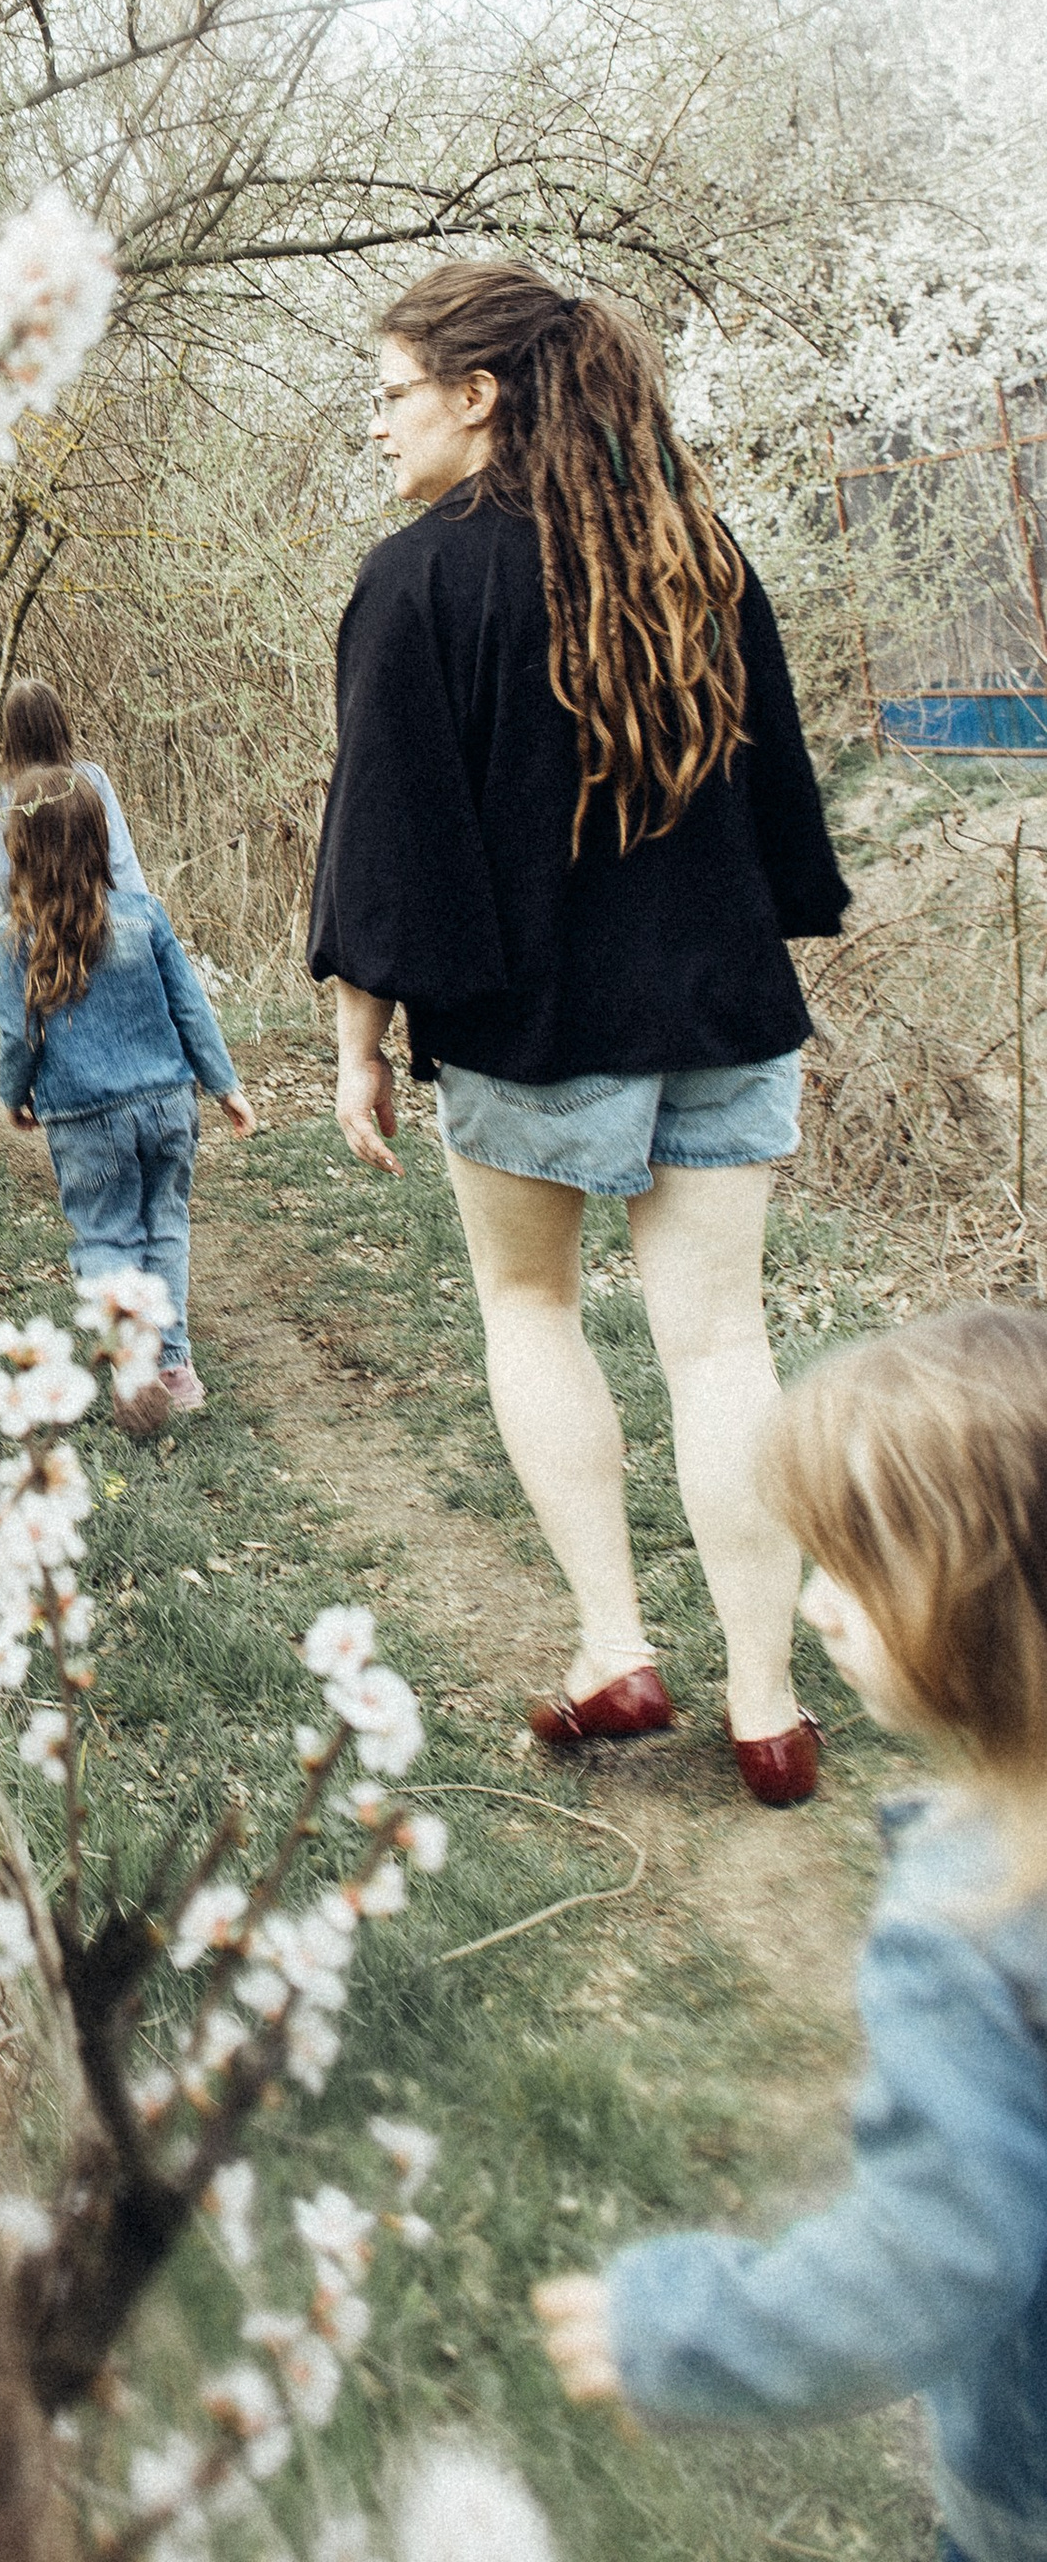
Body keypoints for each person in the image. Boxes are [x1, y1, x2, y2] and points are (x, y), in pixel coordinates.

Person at [306, 258, 850, 1805]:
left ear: (478, 397)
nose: (374, 426)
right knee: (722, 1342)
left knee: (531, 1307)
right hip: (724, 1013)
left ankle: (614, 1647)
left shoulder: (418, 577)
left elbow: (387, 838)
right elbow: (777, 807)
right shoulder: (701, 554)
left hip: (533, 1027)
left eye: (389, 393)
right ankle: (768, 1705)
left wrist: (358, 1039)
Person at [534, 1306, 1047, 2562]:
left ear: (988, 1600)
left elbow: (936, 2253)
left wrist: (688, 2333)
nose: (815, 1608)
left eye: (857, 1569)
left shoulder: (972, 1924)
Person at [0, 767, 256, 1434]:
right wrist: (224, 1085)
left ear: (21, 851)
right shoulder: (145, 917)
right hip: (169, 1101)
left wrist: (15, 1095)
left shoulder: (20, 939)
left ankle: (134, 1363)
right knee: (164, 1225)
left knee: (107, 1234)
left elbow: (17, 1033)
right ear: (100, 841)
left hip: (85, 1116)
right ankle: (175, 1367)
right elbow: (190, 1008)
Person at [0, 677, 151, 912]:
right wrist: (139, 914)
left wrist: (11, 921)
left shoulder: (4, 792)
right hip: (95, 915)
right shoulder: (91, 778)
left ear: (11, 732)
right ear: (59, 723)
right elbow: (120, 858)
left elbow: (3, 873)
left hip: (39, 920)